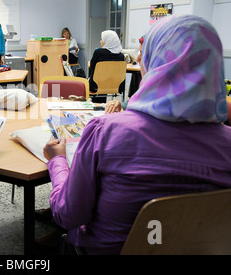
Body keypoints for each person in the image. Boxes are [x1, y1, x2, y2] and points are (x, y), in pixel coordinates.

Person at [43, 14, 231, 255]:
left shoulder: (105, 131)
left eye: (148, 48)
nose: (140, 56)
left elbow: (66, 215)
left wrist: (57, 161)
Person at [104, 35, 144, 114]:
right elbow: (140, 100)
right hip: (117, 88)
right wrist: (122, 105)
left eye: (142, 53)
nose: (137, 59)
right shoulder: (121, 56)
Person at [88, 30, 125, 100]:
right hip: (115, 86)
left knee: (99, 79)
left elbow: (91, 67)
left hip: (96, 86)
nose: (100, 41)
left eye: (102, 39)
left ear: (108, 41)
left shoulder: (98, 52)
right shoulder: (121, 56)